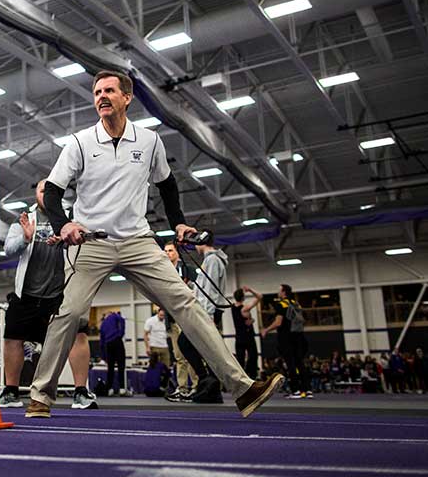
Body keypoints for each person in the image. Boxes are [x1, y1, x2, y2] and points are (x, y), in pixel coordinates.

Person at [25, 70, 283, 419]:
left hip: (137, 240)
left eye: (110, 91)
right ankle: (41, 396)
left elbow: (167, 184)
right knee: (69, 313)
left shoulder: (148, 141)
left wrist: (177, 221)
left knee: (186, 304)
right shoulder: (80, 142)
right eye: (97, 91)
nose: (102, 96)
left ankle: (242, 387)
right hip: (91, 242)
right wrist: (64, 224)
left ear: (126, 98)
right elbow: (54, 191)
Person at [0, 180, 97, 410]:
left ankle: (81, 392)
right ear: (36, 194)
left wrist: (66, 241)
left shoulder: (69, 219)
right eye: (42, 190)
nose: (46, 194)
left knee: (78, 335)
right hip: (27, 293)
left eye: (50, 190)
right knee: (13, 338)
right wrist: (25, 238)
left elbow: (87, 243)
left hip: (60, 292)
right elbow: (8, 249)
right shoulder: (24, 219)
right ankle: (11, 391)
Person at [162, 241, 198, 401]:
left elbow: (196, 291)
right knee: (179, 356)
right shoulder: (161, 271)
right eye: (165, 251)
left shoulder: (188, 269)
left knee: (192, 353)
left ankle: (197, 386)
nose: (167, 253)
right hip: (172, 318)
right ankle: (182, 387)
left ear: (177, 252)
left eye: (170, 250)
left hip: (188, 316)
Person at [261, 283, 310, 399]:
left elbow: (278, 322)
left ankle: (295, 390)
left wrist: (266, 330)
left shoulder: (281, 305)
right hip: (299, 336)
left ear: (284, 292)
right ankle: (307, 390)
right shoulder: (296, 303)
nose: (278, 292)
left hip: (286, 338)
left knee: (290, 363)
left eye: (279, 290)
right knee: (300, 363)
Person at [194, 241, 228, 332]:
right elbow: (203, 287)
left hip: (210, 311)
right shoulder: (208, 260)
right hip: (208, 310)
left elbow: (211, 288)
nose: (195, 246)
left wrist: (209, 314)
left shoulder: (212, 260)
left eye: (195, 243)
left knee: (184, 342)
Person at [232, 286, 261, 379]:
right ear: (243, 297)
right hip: (247, 337)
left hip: (239, 337)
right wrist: (251, 290)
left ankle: (240, 378)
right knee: (253, 356)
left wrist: (251, 320)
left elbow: (242, 320)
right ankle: (252, 377)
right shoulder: (244, 308)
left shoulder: (233, 307)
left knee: (240, 359)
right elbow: (260, 297)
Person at [99, 311, 127, 396]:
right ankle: (122, 388)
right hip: (116, 341)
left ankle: (110, 389)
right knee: (121, 365)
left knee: (110, 368)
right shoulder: (115, 315)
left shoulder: (103, 324)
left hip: (108, 345)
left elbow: (101, 342)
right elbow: (122, 320)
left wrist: (103, 356)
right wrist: (120, 334)